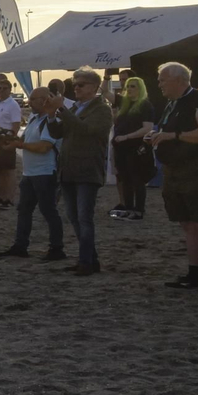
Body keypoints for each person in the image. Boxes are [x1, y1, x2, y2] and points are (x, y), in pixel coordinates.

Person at [151, 63, 198, 292]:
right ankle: (194, 275)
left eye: (163, 79)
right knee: (187, 224)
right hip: (175, 171)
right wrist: (159, 137)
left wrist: (173, 135)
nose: (159, 84)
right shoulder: (173, 104)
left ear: (179, 80)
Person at [46, 68, 113, 276]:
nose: (76, 88)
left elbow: (87, 130)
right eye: (74, 84)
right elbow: (59, 132)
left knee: (84, 218)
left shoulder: (101, 109)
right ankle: (89, 260)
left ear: (94, 87)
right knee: (74, 217)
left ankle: (87, 261)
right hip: (69, 169)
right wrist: (50, 115)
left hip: (87, 169)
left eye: (81, 85)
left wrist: (63, 112)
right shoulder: (75, 107)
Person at [0, 87, 66, 260]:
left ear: (44, 100)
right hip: (31, 173)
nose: (29, 102)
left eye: (33, 99)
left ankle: (56, 248)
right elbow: (26, 139)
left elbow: (44, 147)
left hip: (45, 172)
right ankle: (21, 245)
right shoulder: (35, 118)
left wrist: (19, 146)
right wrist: (12, 142)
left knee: (48, 211)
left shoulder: (51, 121)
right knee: (24, 210)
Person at [110, 75, 156, 220]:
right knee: (125, 179)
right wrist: (106, 76)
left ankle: (139, 210)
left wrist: (127, 136)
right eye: (128, 86)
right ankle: (128, 208)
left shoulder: (145, 105)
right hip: (121, 149)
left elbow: (147, 128)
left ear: (140, 88)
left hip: (136, 149)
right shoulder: (124, 104)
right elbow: (105, 92)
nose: (129, 89)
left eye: (133, 86)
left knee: (137, 180)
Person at [0, 76, 22, 209]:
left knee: (9, 170)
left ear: (9, 89)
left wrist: (11, 138)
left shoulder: (12, 105)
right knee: (0, 170)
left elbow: (16, 125)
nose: (1, 90)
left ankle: (9, 198)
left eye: (4, 88)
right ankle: (1, 196)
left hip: (6, 139)